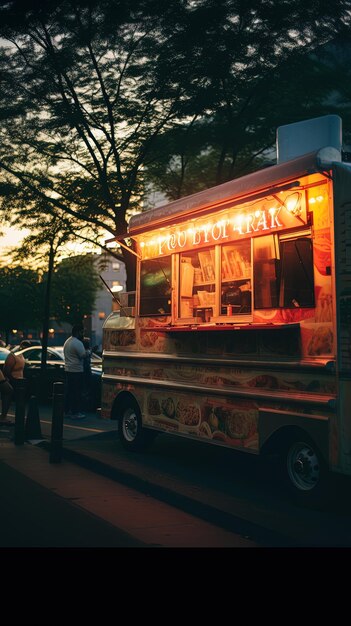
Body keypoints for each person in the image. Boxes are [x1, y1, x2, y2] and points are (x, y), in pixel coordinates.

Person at [63, 323, 89, 420]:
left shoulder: (67, 341)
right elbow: (83, 355)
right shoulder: (78, 343)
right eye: (82, 332)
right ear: (78, 332)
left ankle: (67, 411)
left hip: (68, 370)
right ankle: (75, 412)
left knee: (69, 392)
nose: (83, 334)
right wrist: (89, 351)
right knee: (76, 392)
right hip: (77, 371)